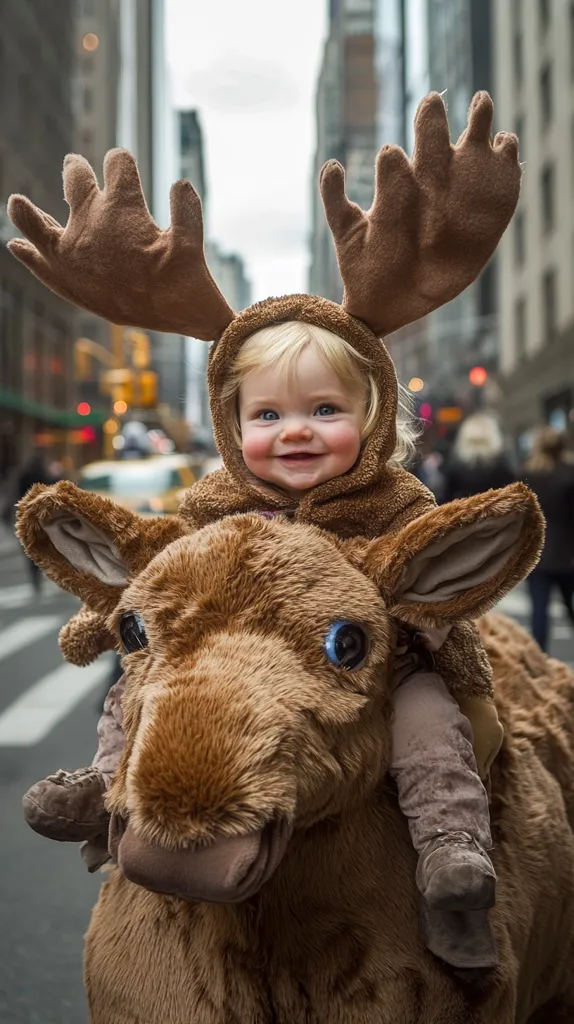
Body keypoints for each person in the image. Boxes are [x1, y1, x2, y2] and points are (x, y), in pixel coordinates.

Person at [23, 320, 505, 972]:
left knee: (428, 718)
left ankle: (449, 852)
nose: (296, 430)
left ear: (374, 416)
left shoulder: (396, 501)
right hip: (231, 662)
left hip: (365, 675)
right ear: (233, 425)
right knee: (139, 688)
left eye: (325, 409)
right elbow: (157, 575)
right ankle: (111, 789)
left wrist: (445, 653)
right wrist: (101, 621)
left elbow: (440, 586)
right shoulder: (215, 500)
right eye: (268, 413)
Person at [521, 427, 574, 652]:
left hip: (537, 553)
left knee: (539, 611)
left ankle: (540, 659)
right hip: (567, 553)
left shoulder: (527, 475)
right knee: (570, 607)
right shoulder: (569, 473)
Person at [442, 413, 515, 502]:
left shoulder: (455, 467)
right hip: (496, 513)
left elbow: (446, 499)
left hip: (465, 513)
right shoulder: (502, 465)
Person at [15, 453, 58, 593]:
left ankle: (35, 578)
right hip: (42, 517)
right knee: (45, 548)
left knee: (30, 549)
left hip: (26, 517)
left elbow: (16, 497)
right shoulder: (42, 477)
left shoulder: (23, 476)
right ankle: (44, 574)